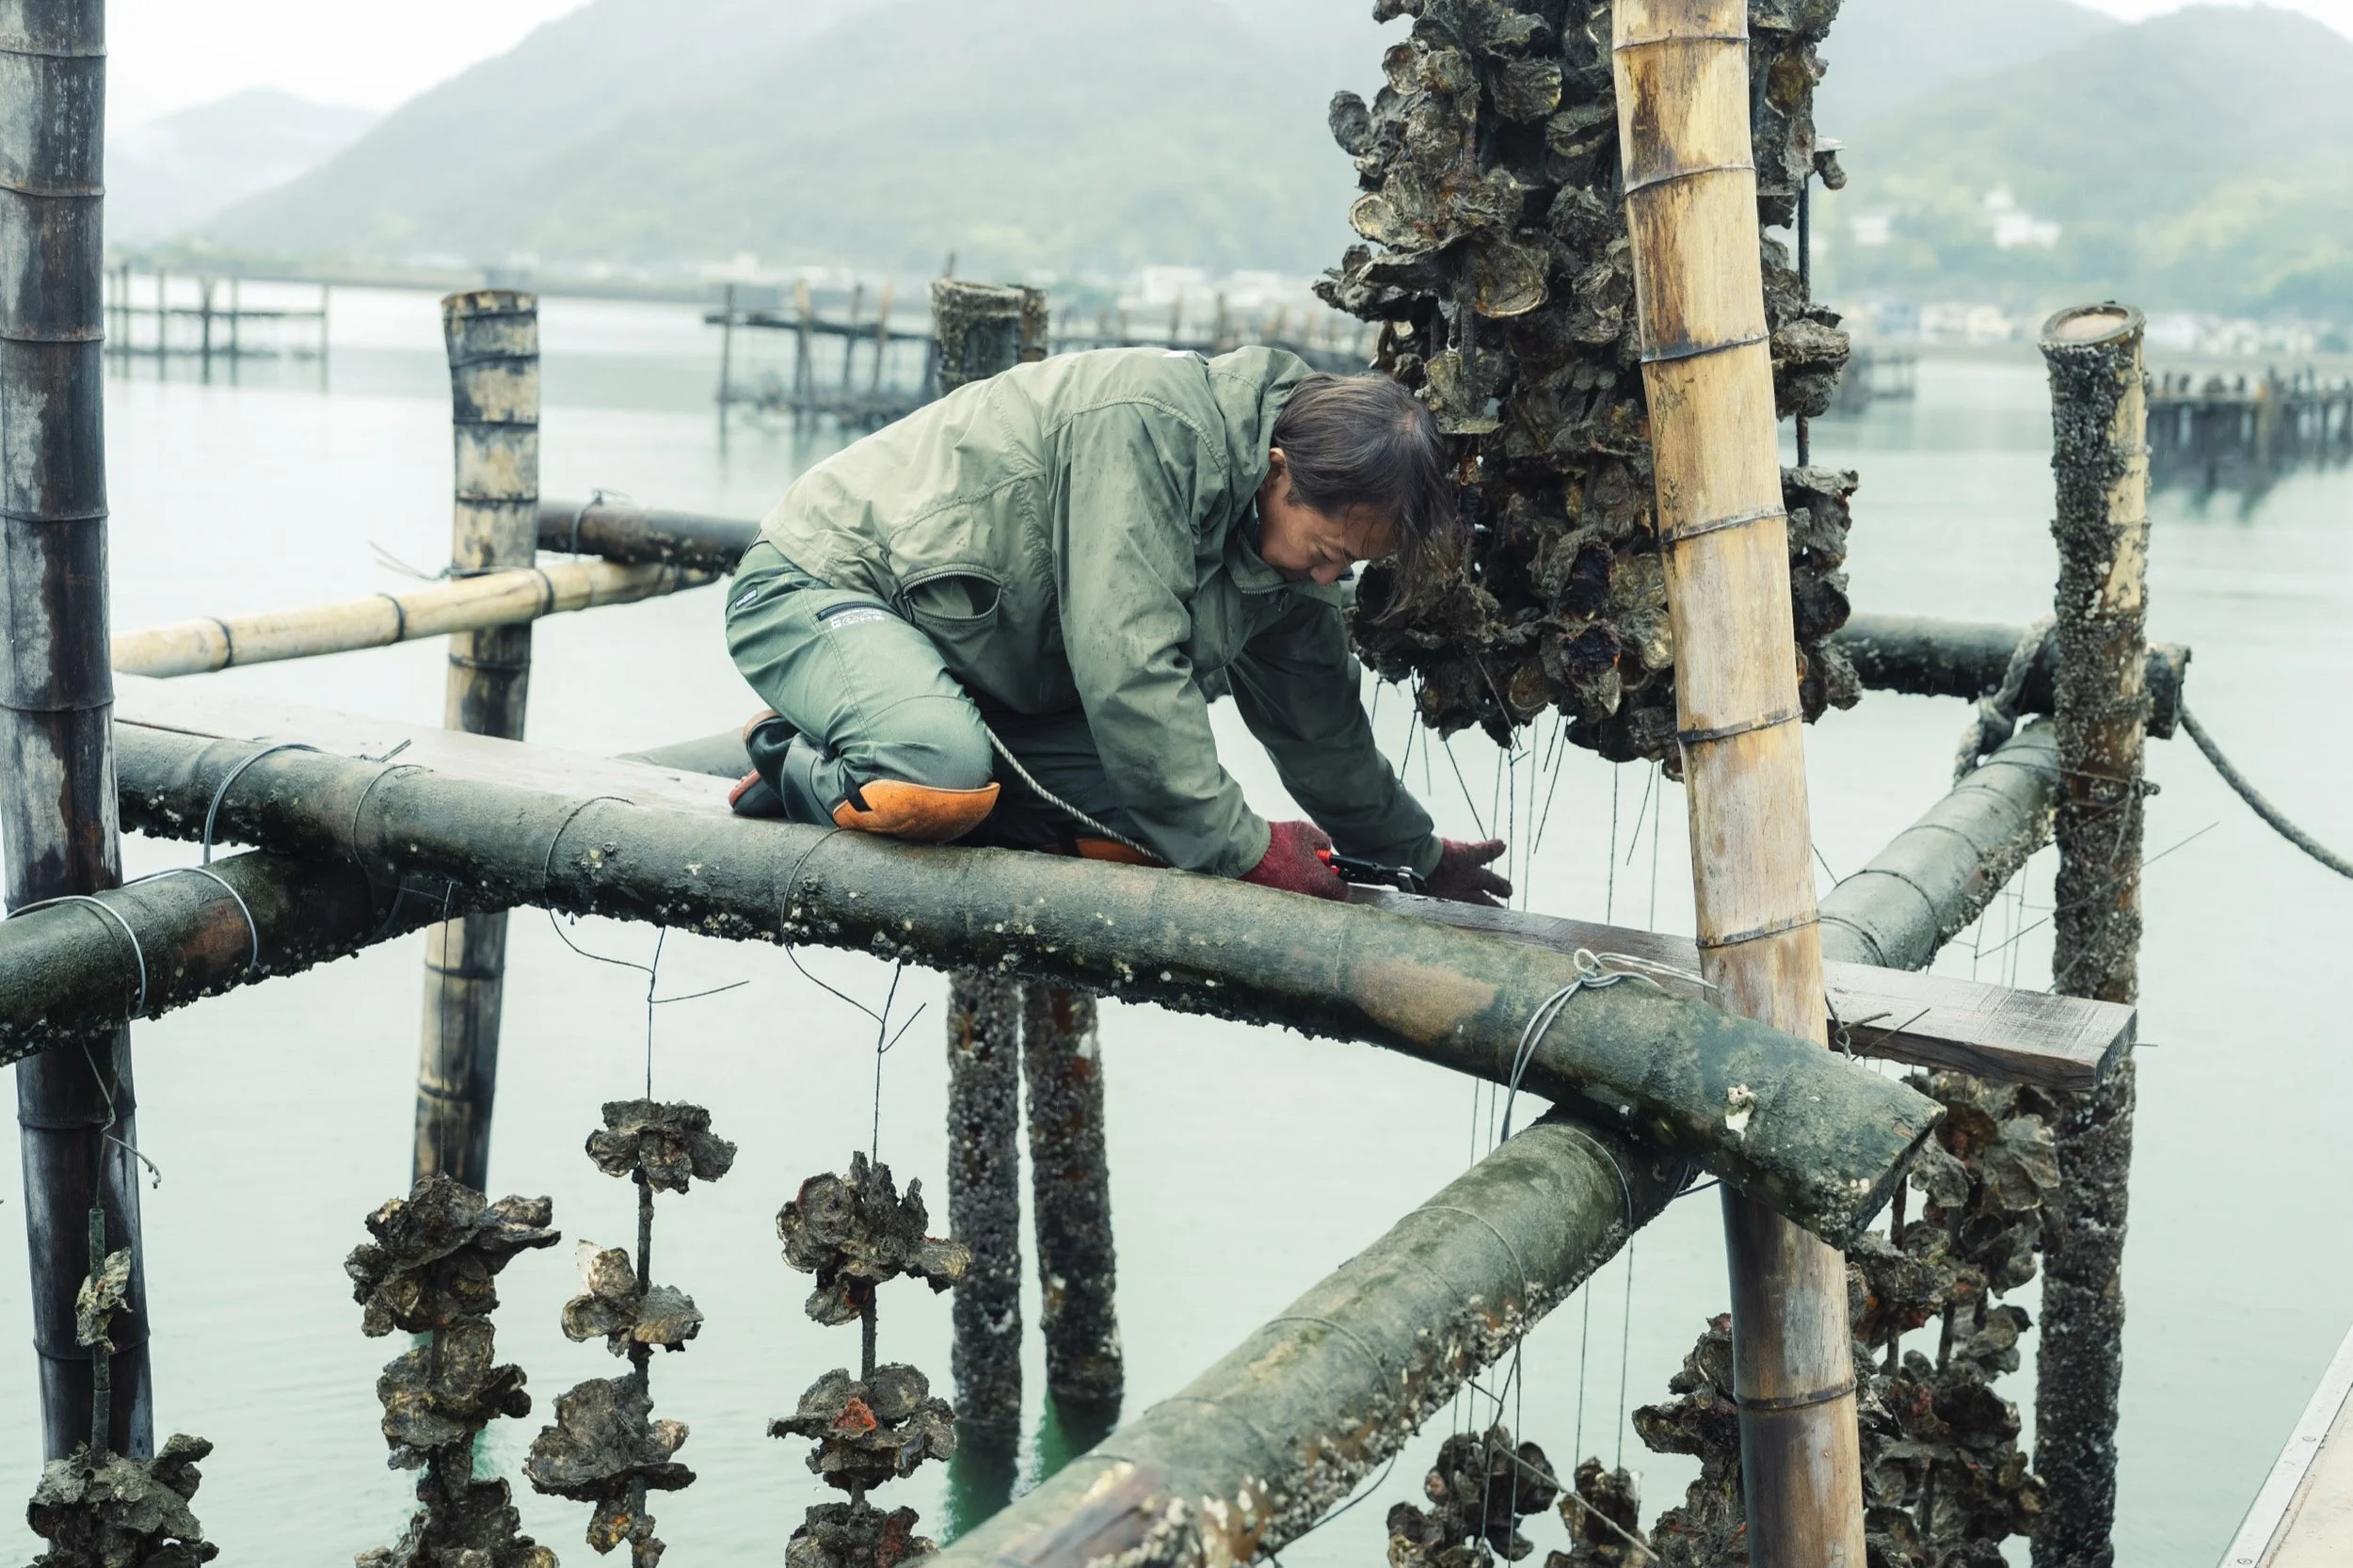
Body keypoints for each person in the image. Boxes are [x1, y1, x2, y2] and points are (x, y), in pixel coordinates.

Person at [724, 343, 1510, 906]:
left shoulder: (1292, 547)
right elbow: (1127, 666)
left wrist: (1414, 854)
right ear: (1279, 472)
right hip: (820, 584)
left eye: (1352, 568)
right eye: (1332, 552)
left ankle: (882, 731)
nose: (1330, 578)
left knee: (1152, 830)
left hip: (968, 669)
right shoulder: (1150, 431)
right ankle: (805, 752)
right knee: (931, 773)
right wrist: (1251, 851)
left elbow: (1320, 726)